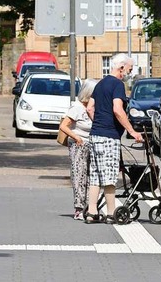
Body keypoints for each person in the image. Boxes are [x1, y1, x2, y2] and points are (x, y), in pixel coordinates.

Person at [85, 53, 143, 224]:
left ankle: (92, 212)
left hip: (95, 135)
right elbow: (118, 110)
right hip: (109, 136)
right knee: (110, 176)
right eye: (129, 70)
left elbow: (90, 108)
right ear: (122, 67)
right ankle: (111, 213)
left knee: (95, 175)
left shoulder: (100, 84)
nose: (129, 74)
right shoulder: (118, 85)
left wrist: (99, 122)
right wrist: (132, 131)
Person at [59, 79, 97, 221]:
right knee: (79, 176)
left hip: (91, 144)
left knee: (90, 176)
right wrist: (76, 138)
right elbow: (64, 126)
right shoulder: (77, 107)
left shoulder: (92, 107)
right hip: (78, 145)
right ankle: (79, 208)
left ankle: (90, 206)